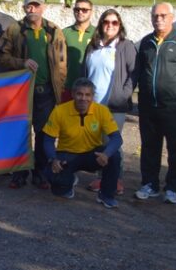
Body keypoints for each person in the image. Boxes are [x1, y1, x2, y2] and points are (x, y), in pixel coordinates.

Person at [134, 2, 176, 204]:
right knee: (149, 148)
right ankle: (150, 184)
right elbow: (137, 73)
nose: (159, 19)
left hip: (175, 108)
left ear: (172, 17)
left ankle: (172, 188)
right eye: (155, 15)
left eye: (163, 15)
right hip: (148, 108)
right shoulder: (145, 42)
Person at [0, 0, 67, 189]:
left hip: (45, 91)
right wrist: (22, 62)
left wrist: (58, 87)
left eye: (36, 6)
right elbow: (1, 56)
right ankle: (19, 173)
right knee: (20, 132)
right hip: (21, 92)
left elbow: (62, 63)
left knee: (44, 133)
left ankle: (40, 173)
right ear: (24, 8)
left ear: (43, 7)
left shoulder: (54, 31)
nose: (32, 10)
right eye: (29, 6)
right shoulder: (14, 30)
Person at [43, 78, 123, 209]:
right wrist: (53, 158)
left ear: (92, 96)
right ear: (73, 94)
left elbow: (116, 138)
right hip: (67, 155)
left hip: (93, 154)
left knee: (114, 156)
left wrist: (106, 154)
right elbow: (48, 140)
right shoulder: (60, 111)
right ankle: (68, 181)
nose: (83, 98)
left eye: (87, 95)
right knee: (57, 186)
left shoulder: (102, 110)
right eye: (79, 94)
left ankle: (106, 195)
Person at [85, 8, 137, 196]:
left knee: (112, 142)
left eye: (115, 22)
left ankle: (116, 180)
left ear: (120, 25)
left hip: (114, 105)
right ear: (101, 24)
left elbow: (134, 73)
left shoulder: (126, 46)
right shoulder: (93, 46)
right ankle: (102, 178)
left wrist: (123, 94)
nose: (110, 25)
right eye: (106, 22)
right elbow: (86, 73)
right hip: (93, 104)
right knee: (97, 142)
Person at [61, 0, 96, 103]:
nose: (80, 12)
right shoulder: (64, 33)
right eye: (77, 9)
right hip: (68, 87)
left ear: (91, 12)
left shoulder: (98, 33)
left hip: (91, 89)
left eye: (84, 10)